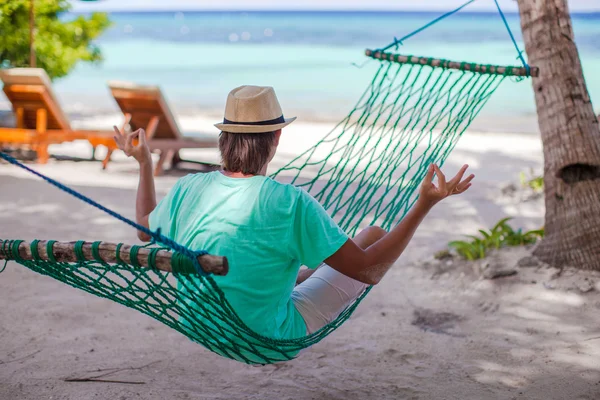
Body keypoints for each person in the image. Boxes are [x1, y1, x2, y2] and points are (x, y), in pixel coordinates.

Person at [113, 85, 473, 361]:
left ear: (224, 139)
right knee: (373, 237)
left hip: (201, 323)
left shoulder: (190, 187)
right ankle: (301, 274)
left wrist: (145, 164)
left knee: (303, 257)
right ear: (276, 137)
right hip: (264, 339)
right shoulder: (291, 203)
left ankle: (298, 274)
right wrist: (424, 204)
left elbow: (144, 230)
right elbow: (368, 271)